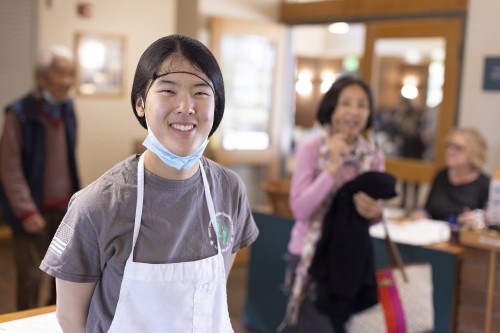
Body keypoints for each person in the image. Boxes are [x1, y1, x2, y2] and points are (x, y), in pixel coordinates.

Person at [40, 35, 259, 332]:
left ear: (217, 104)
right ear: (141, 104)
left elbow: (215, 289)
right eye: (168, 91)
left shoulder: (229, 190)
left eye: (200, 93)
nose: (186, 106)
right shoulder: (98, 204)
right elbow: (70, 318)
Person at [278, 76, 386, 333]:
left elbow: (375, 215)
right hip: (311, 256)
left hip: (352, 261)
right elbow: (301, 209)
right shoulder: (312, 148)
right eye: (346, 103)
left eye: (362, 105)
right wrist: (332, 168)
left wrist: (377, 213)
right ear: (332, 109)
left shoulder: (373, 157)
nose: (354, 111)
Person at [0, 44, 79, 310]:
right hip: (31, 211)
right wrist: (26, 211)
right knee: (31, 280)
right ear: (42, 75)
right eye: (60, 73)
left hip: (63, 210)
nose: (67, 81)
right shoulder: (19, 113)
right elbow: (9, 168)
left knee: (64, 279)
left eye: (71, 74)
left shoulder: (68, 109)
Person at [412, 127, 490, 227]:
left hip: (463, 239)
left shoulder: (485, 185)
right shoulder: (441, 175)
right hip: (434, 237)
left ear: (474, 153)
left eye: (458, 148)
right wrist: (422, 215)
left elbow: (491, 225)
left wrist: (478, 222)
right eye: (449, 145)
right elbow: (428, 210)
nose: (450, 151)